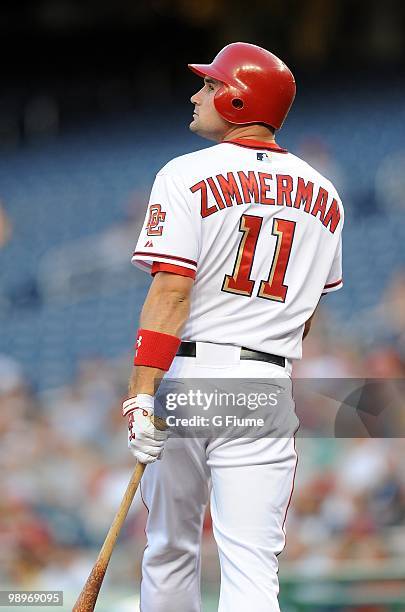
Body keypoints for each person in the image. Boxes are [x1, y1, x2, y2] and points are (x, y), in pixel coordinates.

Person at [123, 42, 344, 611]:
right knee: (251, 568)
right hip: (264, 383)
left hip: (189, 378)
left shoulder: (185, 173)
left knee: (169, 551)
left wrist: (141, 396)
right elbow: (307, 312)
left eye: (211, 85)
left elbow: (171, 290)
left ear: (239, 99)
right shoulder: (326, 194)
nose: (198, 94)